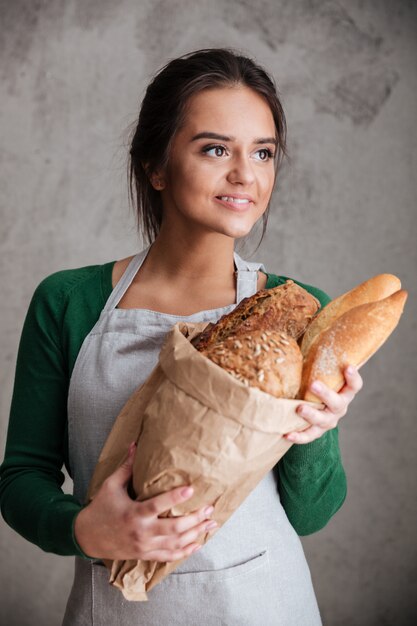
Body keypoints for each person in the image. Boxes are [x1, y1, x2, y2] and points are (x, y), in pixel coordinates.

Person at [0, 48, 363, 625]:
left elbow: (312, 513)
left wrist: (315, 429)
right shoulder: (69, 302)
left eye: (263, 152)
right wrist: (83, 528)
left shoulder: (300, 308)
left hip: (268, 607)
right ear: (156, 165)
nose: (245, 173)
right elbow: (21, 478)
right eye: (215, 148)